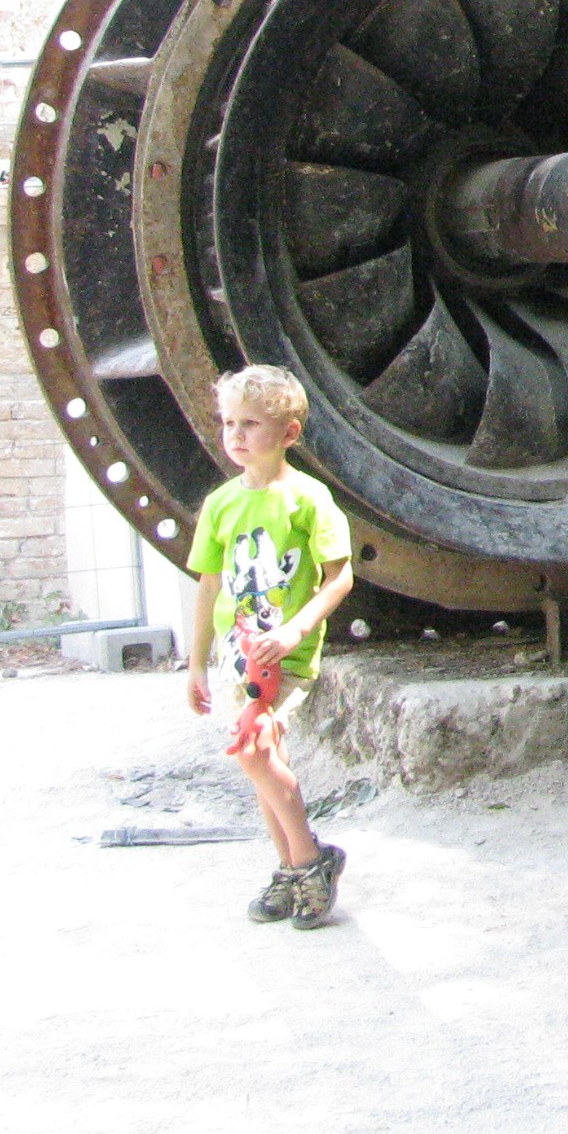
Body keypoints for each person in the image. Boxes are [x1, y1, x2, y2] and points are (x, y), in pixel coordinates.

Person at [186, 363, 354, 927]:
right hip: (238, 656)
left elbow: (339, 578)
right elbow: (209, 585)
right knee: (264, 764)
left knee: (254, 753)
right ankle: (290, 871)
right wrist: (196, 665)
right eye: (229, 422)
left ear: (288, 433)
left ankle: (309, 861)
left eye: (251, 423)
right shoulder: (220, 504)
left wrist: (294, 631)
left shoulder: (309, 499)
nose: (235, 434)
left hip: (286, 655)